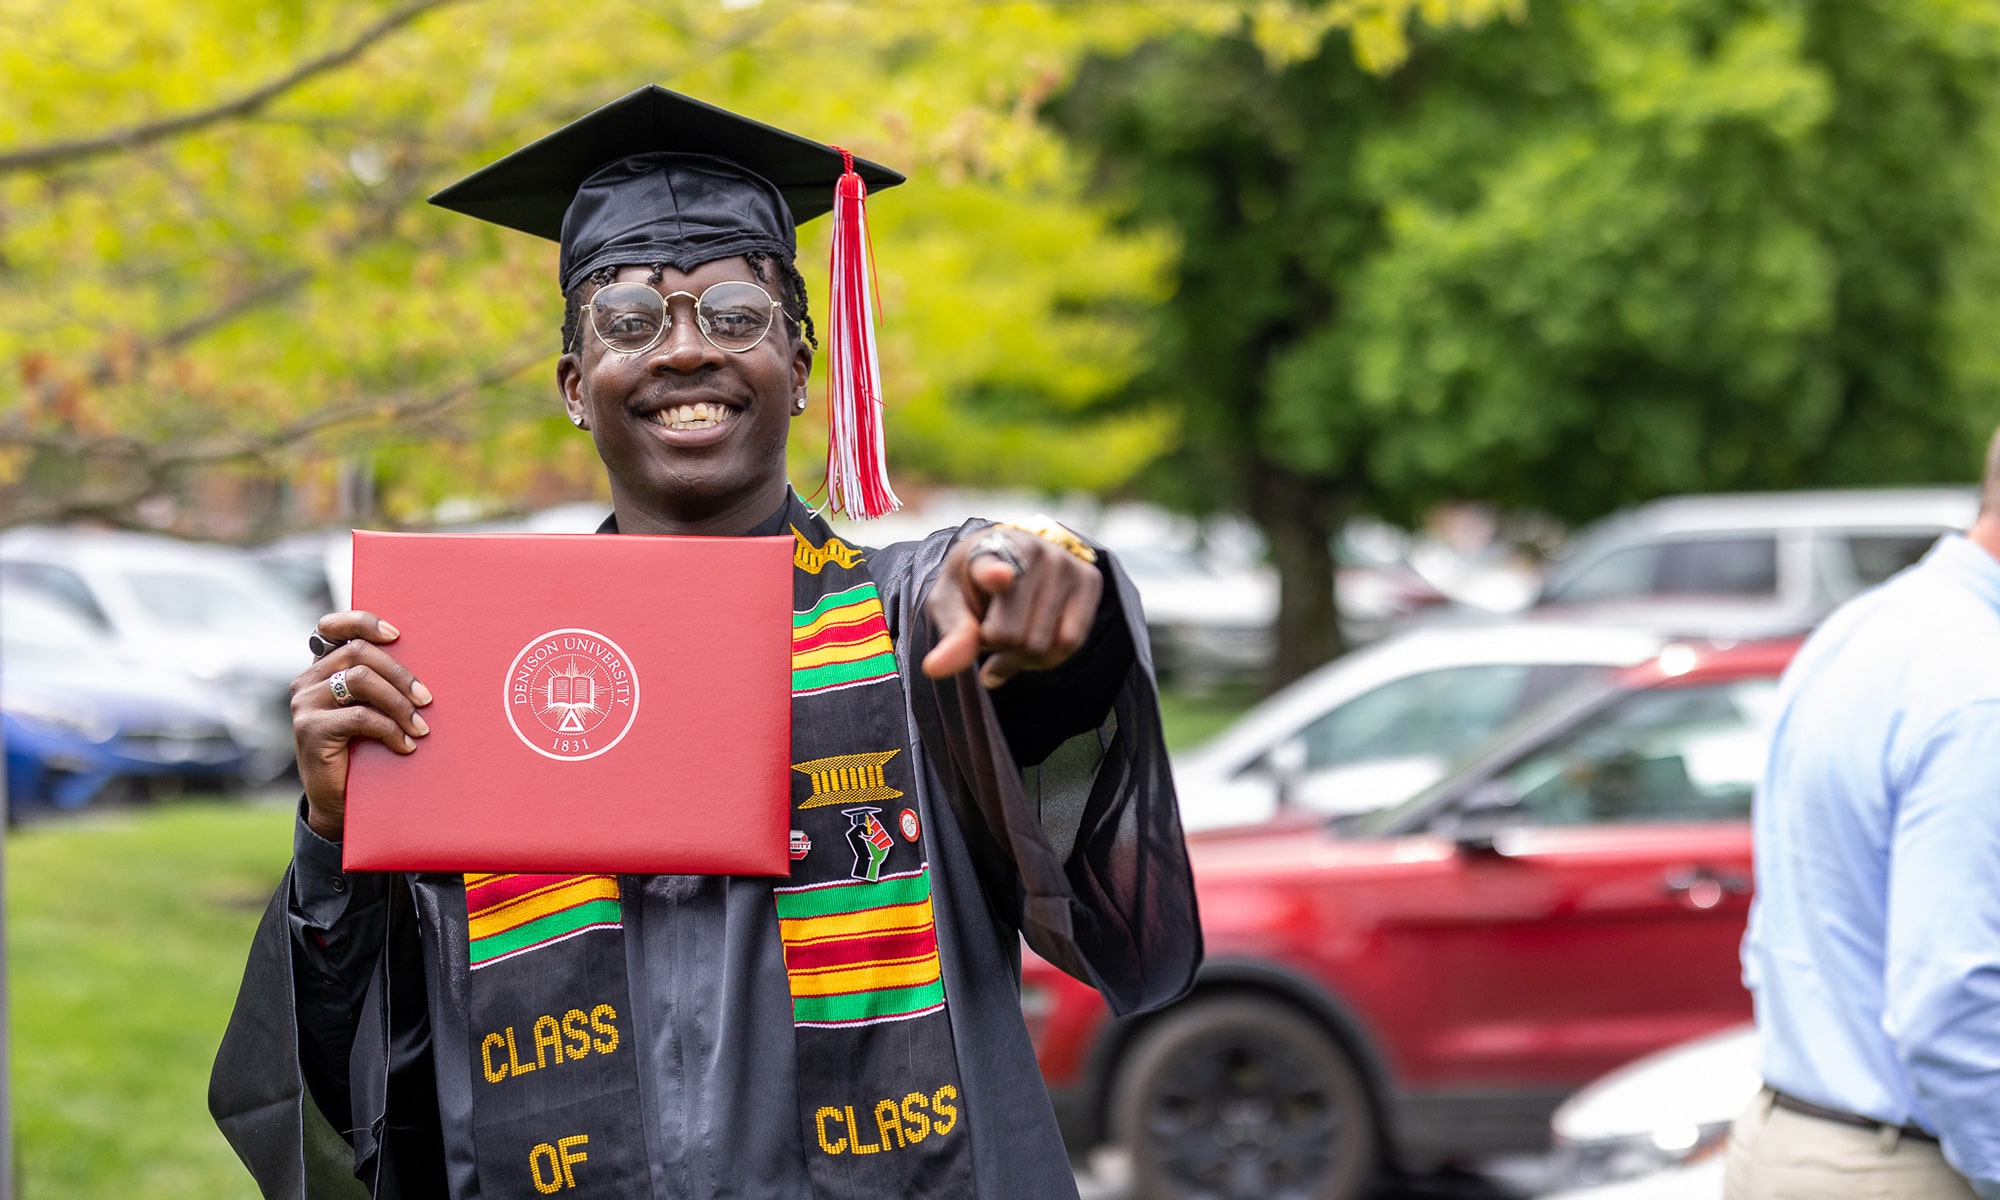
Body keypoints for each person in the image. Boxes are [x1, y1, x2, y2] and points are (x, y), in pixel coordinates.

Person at [209, 85, 1201, 1200]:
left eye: (736, 315)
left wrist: (1043, 600)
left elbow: (1025, 648)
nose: (687, 352)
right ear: (578, 389)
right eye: (630, 322)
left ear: (801, 364)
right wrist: (341, 838)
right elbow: (351, 1091)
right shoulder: (475, 680)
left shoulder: (905, 626)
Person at [1727, 437, 2000, 1199]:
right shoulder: (1982, 692)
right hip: (1902, 1165)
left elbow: (1779, 934)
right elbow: (1955, 1001)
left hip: (1791, 1137)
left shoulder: (1867, 627)